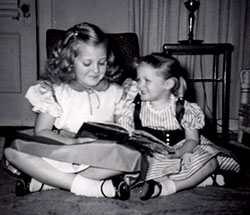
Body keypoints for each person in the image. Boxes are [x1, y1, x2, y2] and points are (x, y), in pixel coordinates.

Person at [3, 22, 145, 200]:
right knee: (12, 151)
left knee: (134, 159)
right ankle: (92, 186)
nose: (96, 70)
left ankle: (47, 181)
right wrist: (71, 143)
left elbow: (124, 132)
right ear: (70, 61)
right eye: (87, 63)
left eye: (102, 63)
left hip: (99, 155)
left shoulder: (117, 92)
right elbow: (42, 131)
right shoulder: (56, 91)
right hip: (63, 150)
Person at [117, 53, 240, 200]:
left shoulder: (183, 109)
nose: (140, 85)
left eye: (147, 80)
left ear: (168, 84)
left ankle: (167, 187)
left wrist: (178, 153)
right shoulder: (135, 108)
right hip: (151, 156)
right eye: (138, 79)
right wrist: (124, 99)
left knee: (209, 161)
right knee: (128, 168)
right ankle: (204, 180)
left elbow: (192, 141)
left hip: (182, 150)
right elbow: (125, 131)